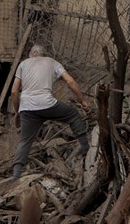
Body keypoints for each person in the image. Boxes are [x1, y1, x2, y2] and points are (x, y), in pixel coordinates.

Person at [10, 45, 90, 179]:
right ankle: (85, 147)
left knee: (25, 141)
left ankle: (16, 174)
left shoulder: (23, 64)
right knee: (73, 115)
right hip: (47, 104)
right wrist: (83, 101)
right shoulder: (53, 62)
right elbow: (70, 81)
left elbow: (14, 91)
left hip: (27, 108)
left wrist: (18, 111)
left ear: (33, 53)